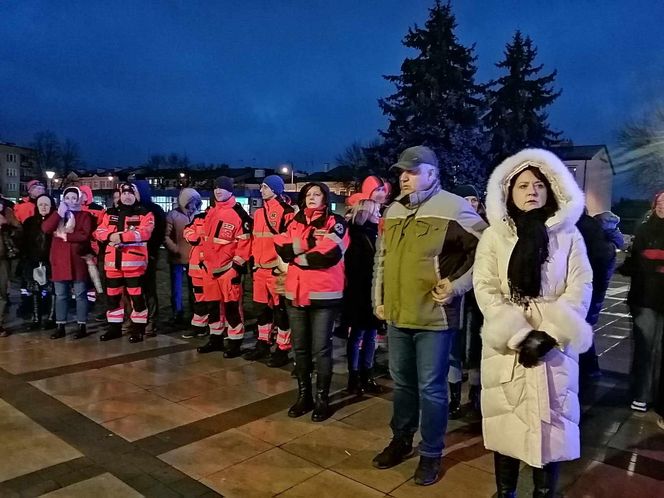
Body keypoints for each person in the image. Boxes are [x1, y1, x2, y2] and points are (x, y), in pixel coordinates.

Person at [473, 148, 593, 497]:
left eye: (539, 184)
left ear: (552, 188)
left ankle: (544, 492)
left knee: (552, 419)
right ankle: (505, 491)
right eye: (522, 184)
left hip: (553, 344)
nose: (531, 191)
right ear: (508, 191)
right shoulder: (496, 236)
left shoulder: (569, 235)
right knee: (505, 420)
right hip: (507, 342)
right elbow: (486, 286)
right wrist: (516, 334)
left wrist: (550, 334)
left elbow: (580, 285)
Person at [371, 146, 486, 485]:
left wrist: (458, 285)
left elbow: (487, 247)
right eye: (401, 172)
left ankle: (431, 454)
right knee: (403, 385)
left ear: (433, 174)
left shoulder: (454, 206)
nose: (403, 177)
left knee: (432, 389)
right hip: (396, 314)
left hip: (434, 317)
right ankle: (401, 439)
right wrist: (378, 298)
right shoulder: (392, 210)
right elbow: (382, 258)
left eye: (412, 171)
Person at [274, 182, 349, 422]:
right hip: (295, 294)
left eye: (317, 194)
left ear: (326, 198)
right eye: (308, 194)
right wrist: (307, 245)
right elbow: (281, 247)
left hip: (324, 295)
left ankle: (322, 399)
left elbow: (329, 254)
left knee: (322, 349)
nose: (311, 197)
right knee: (301, 348)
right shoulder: (294, 221)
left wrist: (297, 255)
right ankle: (304, 396)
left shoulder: (335, 222)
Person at [184, 176, 252, 358]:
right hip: (209, 270)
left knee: (232, 309)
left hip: (228, 270)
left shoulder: (239, 214)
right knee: (213, 308)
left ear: (230, 190)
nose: (218, 191)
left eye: (222, 188)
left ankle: (235, 342)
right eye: (215, 188)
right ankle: (215, 339)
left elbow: (245, 245)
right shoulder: (211, 212)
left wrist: (235, 268)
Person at [244, 175, 296, 367]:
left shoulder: (286, 212)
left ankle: (282, 349)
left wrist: (282, 267)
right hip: (259, 270)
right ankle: (263, 344)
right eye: (261, 186)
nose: (261, 190)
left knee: (281, 312)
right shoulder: (258, 214)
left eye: (265, 187)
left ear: (275, 190)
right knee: (261, 311)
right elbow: (255, 240)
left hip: (275, 270)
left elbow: (288, 242)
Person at [94, 183, 155, 343]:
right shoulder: (110, 213)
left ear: (136, 195)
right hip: (112, 265)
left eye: (130, 193)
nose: (127, 196)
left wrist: (119, 237)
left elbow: (145, 233)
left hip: (134, 265)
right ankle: (114, 328)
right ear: (119, 195)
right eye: (124, 193)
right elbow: (99, 232)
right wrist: (111, 236)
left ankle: (138, 330)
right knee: (112, 298)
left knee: (137, 299)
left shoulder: (144, 213)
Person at [447, 184, 487, 418]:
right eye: (466, 199)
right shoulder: (451, 226)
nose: (470, 204)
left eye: (474, 200)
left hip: (477, 299)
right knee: (453, 346)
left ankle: (474, 394)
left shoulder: (486, 229)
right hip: (455, 294)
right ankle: (453, 396)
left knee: (475, 347)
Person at [623, 191, 664, 413]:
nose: (663, 206)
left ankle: (657, 394)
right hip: (645, 299)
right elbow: (634, 262)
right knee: (645, 347)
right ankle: (641, 394)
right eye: (660, 201)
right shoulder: (644, 230)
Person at [42, 187, 95, 340]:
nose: (71, 201)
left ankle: (81, 325)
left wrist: (66, 236)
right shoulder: (58, 214)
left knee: (80, 295)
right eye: (67, 197)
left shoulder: (84, 215)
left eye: (74, 197)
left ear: (79, 199)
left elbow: (85, 234)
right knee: (60, 295)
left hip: (77, 260)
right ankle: (60, 325)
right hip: (59, 260)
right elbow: (46, 228)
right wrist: (58, 212)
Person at [343, 198, 382, 395]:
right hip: (359, 294)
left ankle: (368, 373)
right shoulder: (356, 236)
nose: (379, 215)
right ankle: (354, 375)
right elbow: (355, 267)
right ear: (366, 213)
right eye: (376, 211)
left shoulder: (375, 234)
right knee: (358, 334)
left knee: (371, 334)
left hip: (372, 292)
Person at [576, 211, 619, 378]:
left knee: (581, 326)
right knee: (584, 325)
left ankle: (588, 367)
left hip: (587, 288)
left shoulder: (583, 227)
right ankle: (590, 367)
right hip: (592, 288)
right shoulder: (592, 228)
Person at [134, 180, 167, 337]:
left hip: (149, 255)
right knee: (134, 290)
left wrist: (152, 252)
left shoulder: (154, 210)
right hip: (131, 257)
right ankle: (136, 319)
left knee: (149, 289)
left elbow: (159, 233)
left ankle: (151, 321)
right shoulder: (130, 210)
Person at [165, 188, 201, 325]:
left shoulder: (198, 216)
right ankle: (177, 312)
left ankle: (196, 311)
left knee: (195, 288)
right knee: (176, 288)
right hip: (177, 258)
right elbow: (166, 236)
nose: (193, 205)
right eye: (191, 202)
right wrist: (175, 249)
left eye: (195, 202)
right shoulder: (173, 215)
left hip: (194, 259)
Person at [22, 194, 56, 331]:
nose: (43, 207)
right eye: (41, 204)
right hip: (33, 261)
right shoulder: (29, 222)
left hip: (51, 261)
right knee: (35, 290)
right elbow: (25, 242)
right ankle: (36, 318)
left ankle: (51, 318)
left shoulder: (55, 221)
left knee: (52, 290)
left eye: (46, 204)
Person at [0, 198, 21, 337]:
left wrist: (7, 225)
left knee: (1, 294)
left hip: (2, 258)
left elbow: (19, 229)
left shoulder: (7, 211)